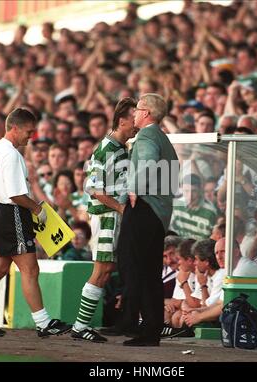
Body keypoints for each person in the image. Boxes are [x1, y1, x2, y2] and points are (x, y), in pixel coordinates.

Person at [0, 108, 71, 337]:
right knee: (30, 268)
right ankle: (43, 323)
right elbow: (15, 194)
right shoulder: (12, 155)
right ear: (15, 127)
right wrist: (37, 208)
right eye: (28, 131)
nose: (31, 136)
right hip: (12, 212)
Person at [70, 97, 138, 342]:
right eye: (134, 119)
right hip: (106, 216)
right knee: (102, 268)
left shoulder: (121, 147)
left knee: (108, 269)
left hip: (111, 215)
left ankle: (83, 325)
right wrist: (121, 209)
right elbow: (96, 189)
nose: (137, 124)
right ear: (121, 121)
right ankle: (80, 326)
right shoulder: (107, 148)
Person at [116, 93, 179, 346]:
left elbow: (150, 162)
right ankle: (146, 327)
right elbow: (170, 173)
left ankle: (139, 325)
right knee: (149, 271)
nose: (134, 113)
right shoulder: (163, 138)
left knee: (133, 265)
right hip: (158, 213)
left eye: (139, 109)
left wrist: (134, 188)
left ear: (148, 113)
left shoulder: (147, 135)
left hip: (144, 208)